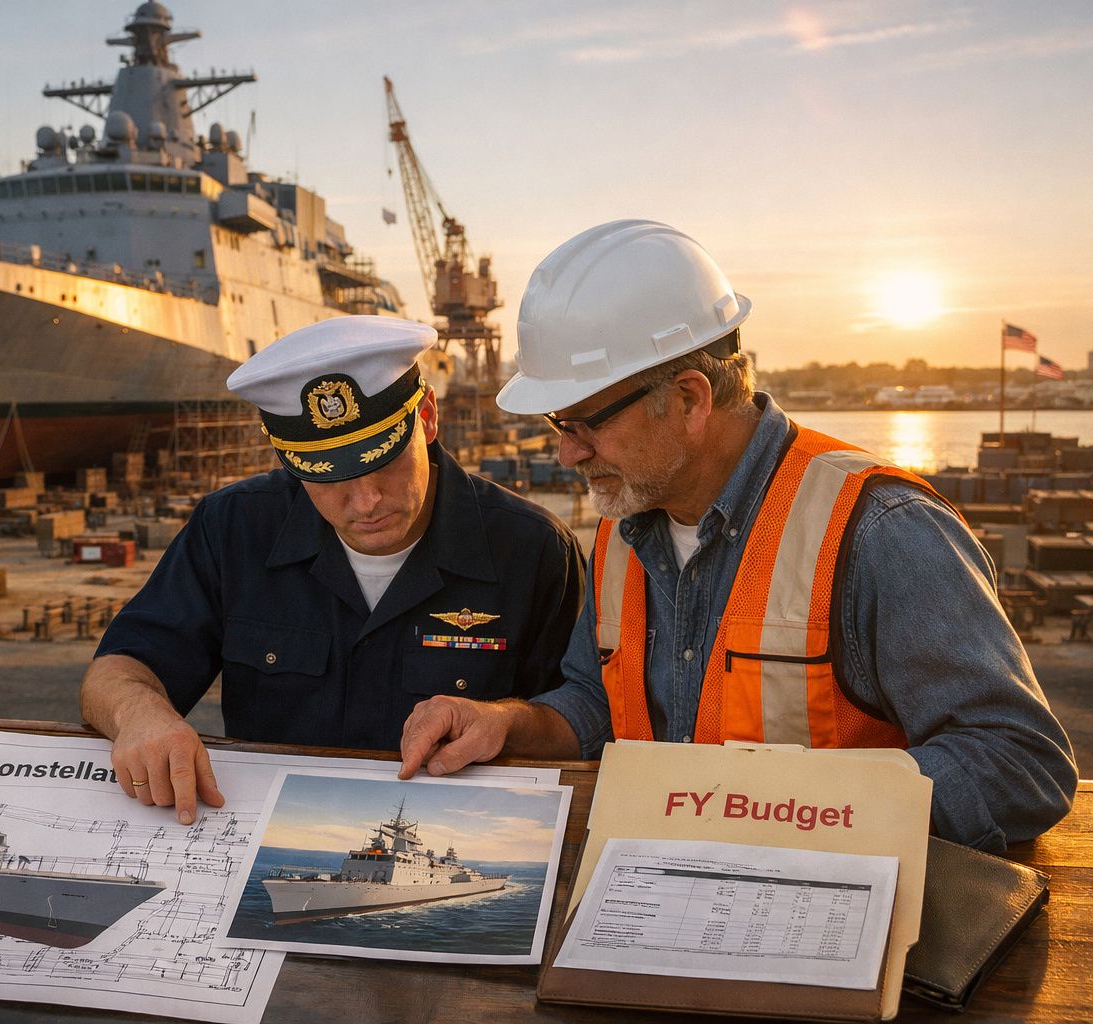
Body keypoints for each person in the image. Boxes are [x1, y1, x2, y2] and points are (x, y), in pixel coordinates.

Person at [399, 220, 1078, 852]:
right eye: (557, 424)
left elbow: (1019, 763)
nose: (567, 453)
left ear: (690, 400)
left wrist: (781, 815)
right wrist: (506, 724)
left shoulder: (878, 530)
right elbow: (596, 705)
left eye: (584, 424)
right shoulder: (623, 528)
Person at [81, 316, 585, 823]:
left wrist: (504, 720)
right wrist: (140, 714)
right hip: (275, 831)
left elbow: (580, 718)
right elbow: (118, 669)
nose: (365, 502)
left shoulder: (534, 550)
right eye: (328, 476)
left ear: (428, 418)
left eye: (382, 461)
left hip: (457, 828)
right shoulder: (233, 528)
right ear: (287, 460)